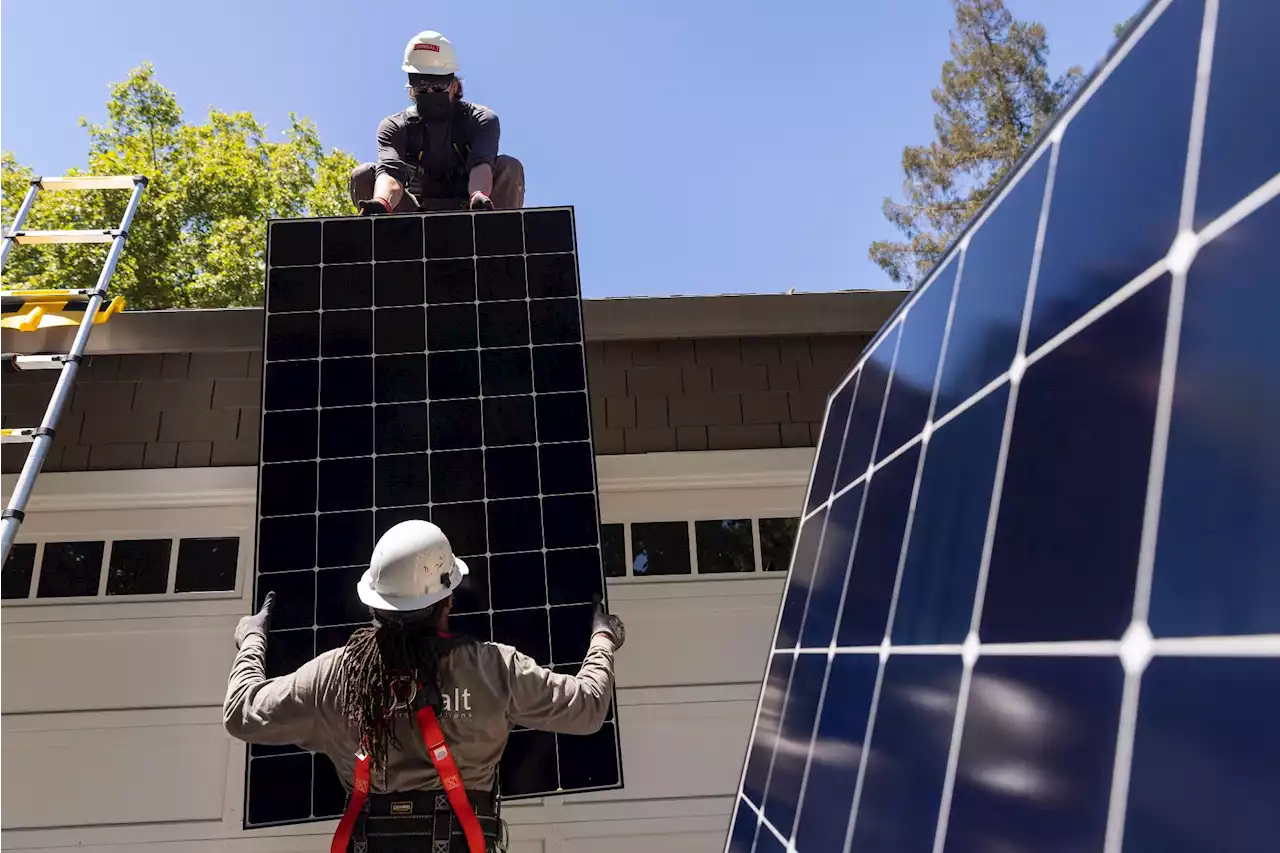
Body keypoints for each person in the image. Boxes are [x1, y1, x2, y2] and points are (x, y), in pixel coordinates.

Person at [223, 519, 624, 853]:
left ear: (373, 603)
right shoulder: (494, 669)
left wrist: (252, 640)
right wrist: (603, 639)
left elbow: (241, 713)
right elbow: (588, 708)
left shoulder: (333, 676)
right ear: (447, 601)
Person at [350, 30, 526, 215]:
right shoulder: (395, 127)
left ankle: (497, 234)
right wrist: (382, 203)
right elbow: (391, 173)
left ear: (454, 86)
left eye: (439, 87)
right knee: (363, 175)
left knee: (509, 167)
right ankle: (392, 237)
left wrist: (478, 196)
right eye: (422, 88)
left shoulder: (481, 119)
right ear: (411, 90)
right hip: (417, 219)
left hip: (472, 211)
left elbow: (481, 164)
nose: (431, 93)